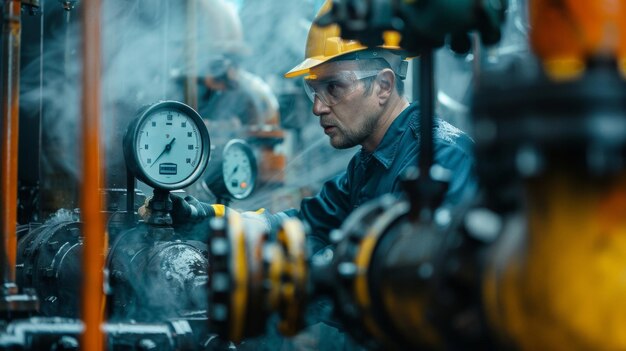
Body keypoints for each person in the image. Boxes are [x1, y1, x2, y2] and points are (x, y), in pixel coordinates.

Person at [169, 0, 476, 258]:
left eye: (335, 87)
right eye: (314, 89)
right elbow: (302, 225)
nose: (318, 107)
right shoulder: (366, 166)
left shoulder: (441, 160)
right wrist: (210, 217)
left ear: (384, 85)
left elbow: (416, 287)